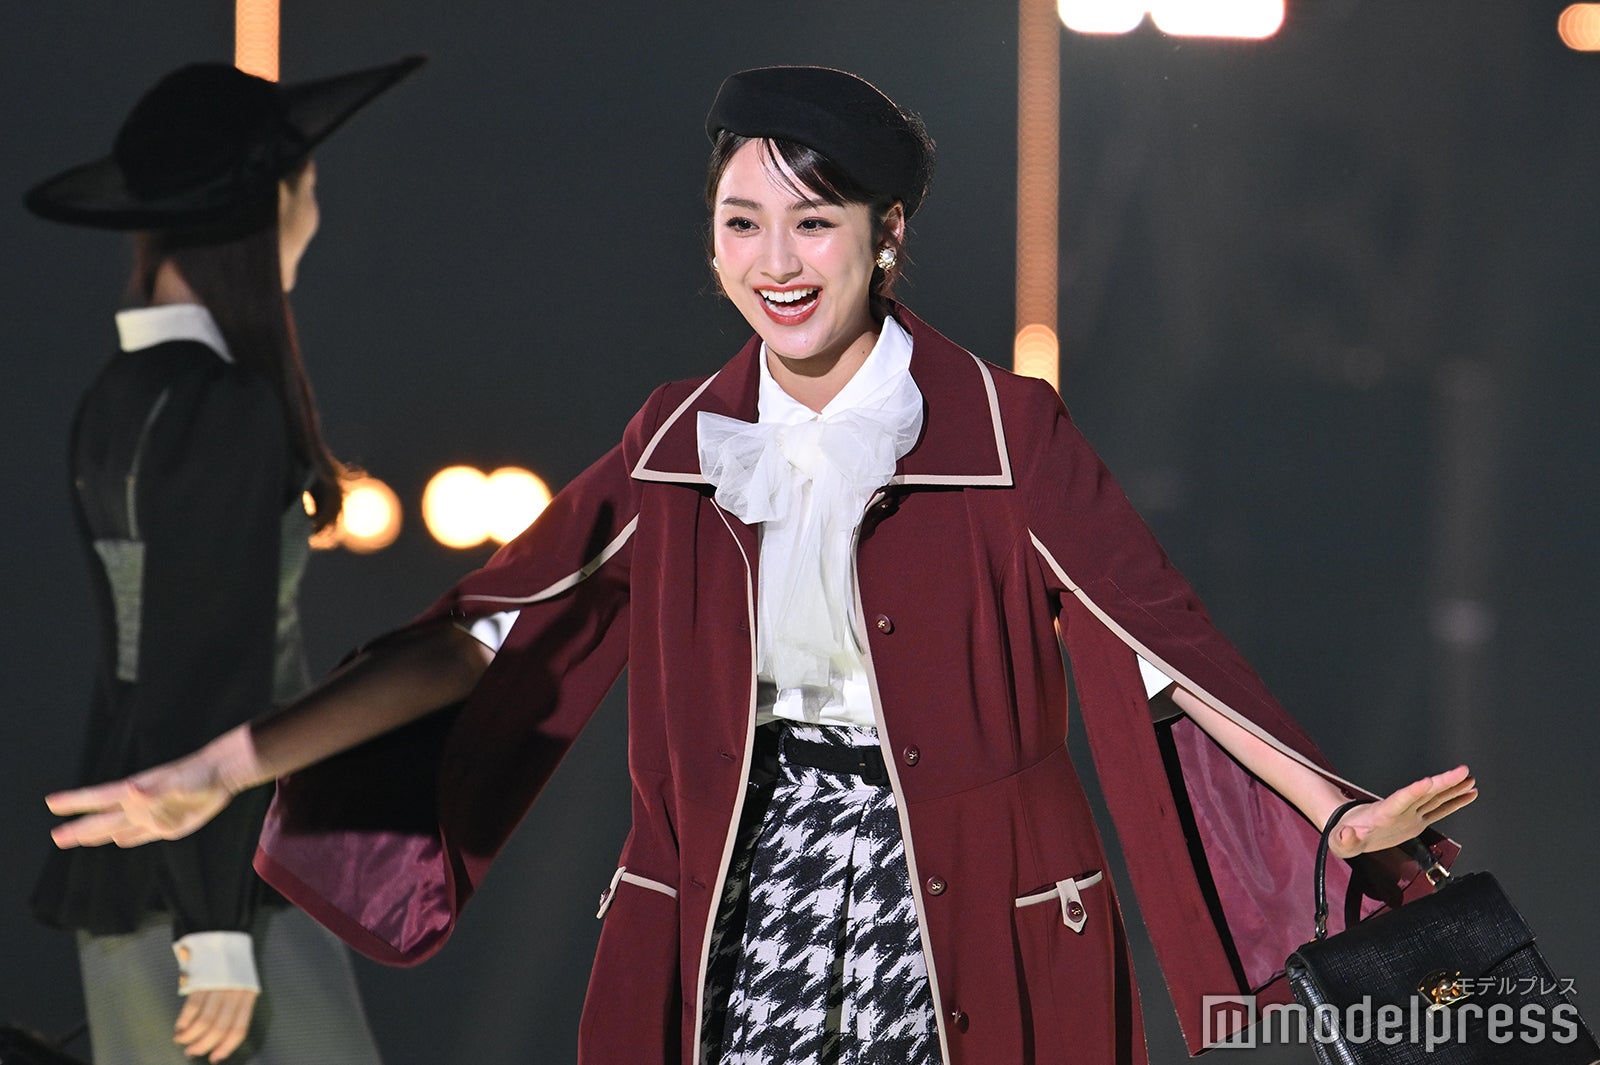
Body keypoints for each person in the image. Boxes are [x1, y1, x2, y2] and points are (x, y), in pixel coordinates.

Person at [46, 67, 1477, 1065]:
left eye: (813, 223)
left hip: (966, 894)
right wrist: (228, 765)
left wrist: (1330, 810)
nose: (775, 261)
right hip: (740, 880)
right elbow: (481, 633)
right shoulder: (679, 439)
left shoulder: (999, 430)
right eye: (742, 223)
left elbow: (1158, 640)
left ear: (887, 236)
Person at [27, 56, 424, 1064]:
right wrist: (215, 933)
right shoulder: (222, 404)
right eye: (309, 188)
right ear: (270, 204)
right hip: (222, 880)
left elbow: (154, 661)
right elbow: (207, 667)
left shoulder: (122, 395)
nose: (315, 217)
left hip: (138, 860)